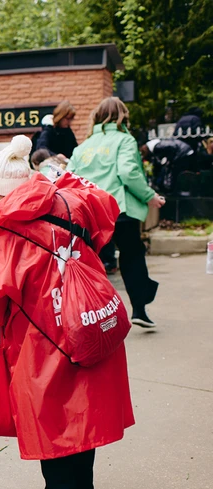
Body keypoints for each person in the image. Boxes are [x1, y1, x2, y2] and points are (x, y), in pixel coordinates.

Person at [0, 135, 134, 489]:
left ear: (0, 194)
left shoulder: (2, 233)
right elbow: (104, 209)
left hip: (42, 337)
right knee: (82, 407)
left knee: (48, 416)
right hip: (86, 321)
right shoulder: (67, 204)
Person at [68, 97, 166, 328]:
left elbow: (69, 177)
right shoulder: (124, 140)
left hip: (89, 212)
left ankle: (94, 315)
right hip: (117, 209)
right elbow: (129, 173)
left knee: (95, 263)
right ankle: (139, 309)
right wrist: (149, 196)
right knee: (132, 256)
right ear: (123, 116)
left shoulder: (83, 146)